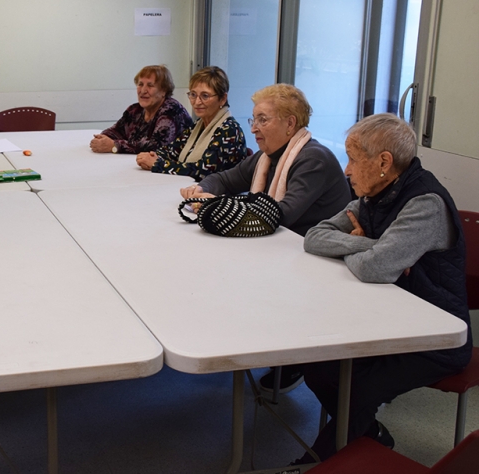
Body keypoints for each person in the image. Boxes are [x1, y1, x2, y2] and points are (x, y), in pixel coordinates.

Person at [299, 113, 473, 463]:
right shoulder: (373, 195)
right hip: (387, 321)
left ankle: (315, 464)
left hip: (433, 337)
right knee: (317, 369)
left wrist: (377, 253)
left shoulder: (424, 203)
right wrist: (375, 245)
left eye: (352, 159)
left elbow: (375, 268)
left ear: (383, 162)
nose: (346, 170)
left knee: (358, 389)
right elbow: (314, 238)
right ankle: (369, 434)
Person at [180, 84, 351, 392]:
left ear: (290, 124)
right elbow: (223, 179)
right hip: (284, 252)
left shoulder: (313, 159)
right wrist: (201, 190)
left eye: (263, 120)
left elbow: (282, 214)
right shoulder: (266, 156)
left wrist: (217, 207)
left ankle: (292, 356)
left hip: (321, 265)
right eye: (254, 120)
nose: (255, 129)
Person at [135, 66, 247, 180]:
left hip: (216, 195)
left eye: (205, 96)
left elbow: (203, 171)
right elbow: (173, 150)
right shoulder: (199, 124)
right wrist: (153, 156)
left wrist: (158, 164)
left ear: (223, 98)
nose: (197, 102)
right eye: (193, 95)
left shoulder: (229, 130)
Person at [89, 65, 192, 154]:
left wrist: (114, 146)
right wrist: (102, 139)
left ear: (163, 91)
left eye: (150, 85)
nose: (143, 91)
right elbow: (116, 131)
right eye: (140, 84)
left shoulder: (171, 110)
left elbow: (156, 146)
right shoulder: (135, 110)